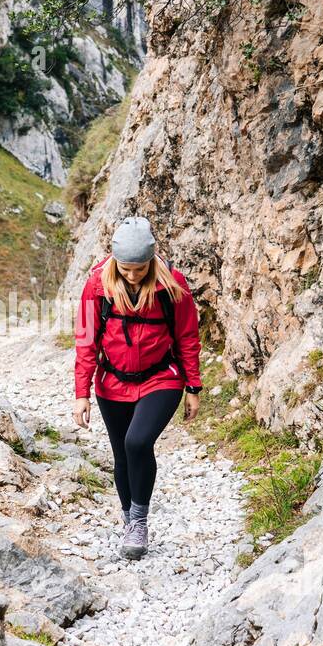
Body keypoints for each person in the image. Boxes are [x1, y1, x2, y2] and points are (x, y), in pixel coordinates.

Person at [72, 216, 202, 560]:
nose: (132, 275)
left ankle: (140, 522)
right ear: (115, 261)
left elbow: (187, 337)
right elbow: (86, 341)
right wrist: (81, 393)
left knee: (138, 442)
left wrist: (193, 385)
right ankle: (129, 520)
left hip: (162, 378)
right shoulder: (97, 286)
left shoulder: (173, 284)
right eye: (126, 269)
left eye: (140, 269)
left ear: (151, 259)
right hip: (112, 382)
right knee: (122, 454)